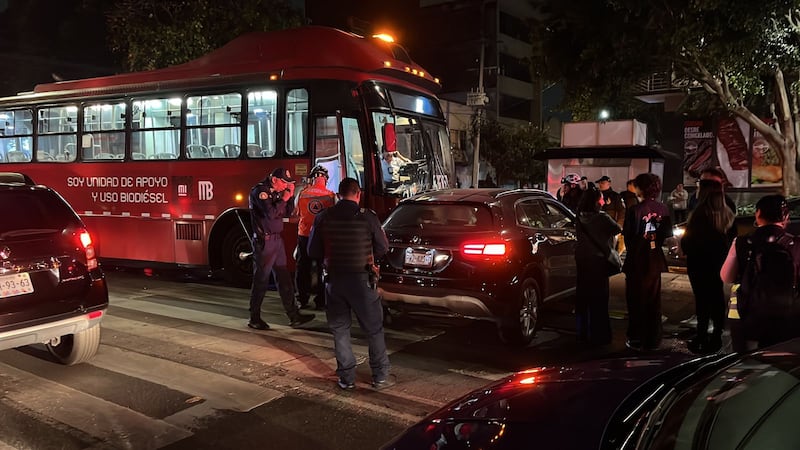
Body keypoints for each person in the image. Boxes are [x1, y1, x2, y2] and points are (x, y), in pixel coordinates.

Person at [307, 177, 392, 390]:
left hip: (334, 281)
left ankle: (347, 378)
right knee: (373, 329)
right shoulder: (368, 218)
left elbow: (312, 251)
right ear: (358, 193)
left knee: (340, 330)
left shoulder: (323, 217)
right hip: (361, 281)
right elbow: (383, 247)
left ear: (338, 194)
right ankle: (380, 376)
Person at [720, 194, 800, 350]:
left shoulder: (742, 242)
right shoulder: (796, 243)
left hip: (746, 313)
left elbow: (726, 276)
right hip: (787, 316)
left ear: (758, 214)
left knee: (744, 363)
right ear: (786, 217)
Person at [247, 168, 314, 330]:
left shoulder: (277, 192)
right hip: (265, 241)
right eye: (283, 182)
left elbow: (287, 211)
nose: (285, 185)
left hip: (277, 240)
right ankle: (254, 317)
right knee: (261, 280)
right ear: (274, 179)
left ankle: (293, 315)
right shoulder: (260, 191)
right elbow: (270, 213)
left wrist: (289, 197)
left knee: (284, 278)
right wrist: (284, 197)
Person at [680, 179, 735, 354]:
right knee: (717, 298)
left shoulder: (700, 215)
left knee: (702, 300)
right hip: (718, 262)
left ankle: (702, 335)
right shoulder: (728, 214)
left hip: (699, 263)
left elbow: (689, 242)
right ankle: (717, 335)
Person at [622, 173, 671, 351]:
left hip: (637, 259)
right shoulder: (663, 209)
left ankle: (636, 336)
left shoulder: (635, 210)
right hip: (655, 260)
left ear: (640, 188)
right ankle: (653, 337)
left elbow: (628, 237)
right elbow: (666, 235)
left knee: (635, 300)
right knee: (653, 299)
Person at [574, 183, 622, 345]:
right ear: (596, 201)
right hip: (599, 261)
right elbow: (617, 229)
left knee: (582, 298)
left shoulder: (578, 216)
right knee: (599, 300)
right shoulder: (602, 218)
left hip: (582, 260)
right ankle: (599, 335)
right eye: (601, 199)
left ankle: (582, 333)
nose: (602, 201)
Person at [294, 165, 336, 310]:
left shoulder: (302, 193)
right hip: (322, 237)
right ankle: (321, 301)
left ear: (312, 179)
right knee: (321, 268)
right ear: (325, 179)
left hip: (304, 235)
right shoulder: (331, 196)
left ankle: (302, 299)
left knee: (302, 267)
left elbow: (297, 213)